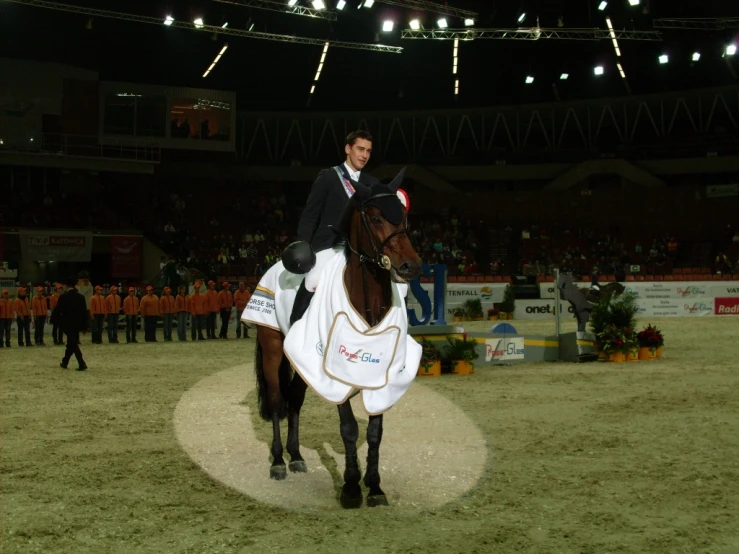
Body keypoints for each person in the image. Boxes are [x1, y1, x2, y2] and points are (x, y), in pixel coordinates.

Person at [291, 130, 379, 315]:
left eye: (368, 151)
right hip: (330, 245)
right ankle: (295, 323)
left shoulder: (372, 183)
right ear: (348, 148)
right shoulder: (329, 176)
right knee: (314, 279)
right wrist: (303, 245)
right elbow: (310, 214)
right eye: (360, 149)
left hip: (361, 248)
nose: (364, 155)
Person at [52, 281, 89, 371]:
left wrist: (54, 320)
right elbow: (84, 313)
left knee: (73, 344)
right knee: (71, 344)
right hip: (77, 324)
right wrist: (84, 326)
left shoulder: (64, 297)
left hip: (68, 324)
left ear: (66, 286)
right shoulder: (81, 297)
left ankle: (81, 363)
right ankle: (65, 362)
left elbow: (57, 310)